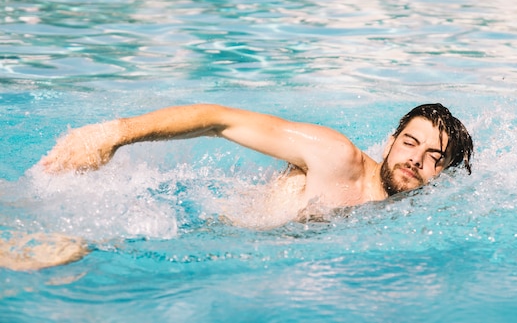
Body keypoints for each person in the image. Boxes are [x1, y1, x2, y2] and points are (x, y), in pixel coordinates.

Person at [4, 102, 473, 271]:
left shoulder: (419, 211)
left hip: (239, 254)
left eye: (434, 157)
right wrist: (114, 133)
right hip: (200, 231)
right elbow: (221, 120)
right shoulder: (336, 156)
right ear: (391, 141)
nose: (416, 158)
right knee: (76, 250)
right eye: (411, 142)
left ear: (443, 175)